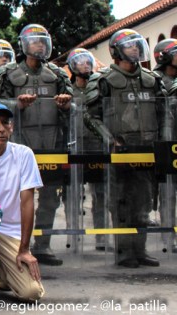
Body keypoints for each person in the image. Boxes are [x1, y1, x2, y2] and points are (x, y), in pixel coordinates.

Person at [85, 29, 167, 268]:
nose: (134, 49)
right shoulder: (102, 79)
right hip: (119, 151)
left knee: (143, 203)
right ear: (116, 51)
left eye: (136, 45)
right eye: (128, 46)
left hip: (148, 150)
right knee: (120, 202)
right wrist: (109, 140)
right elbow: (91, 116)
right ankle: (124, 253)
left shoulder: (152, 79)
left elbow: (164, 114)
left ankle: (140, 250)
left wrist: (163, 140)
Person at [0, 24, 73, 266]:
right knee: (14, 199)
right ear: (24, 45)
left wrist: (65, 103)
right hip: (19, 144)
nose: (40, 45)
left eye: (43, 41)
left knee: (50, 197)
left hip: (52, 143)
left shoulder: (58, 74)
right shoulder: (8, 73)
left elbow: (73, 106)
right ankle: (10, 248)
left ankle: (44, 245)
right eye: (35, 41)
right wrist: (16, 104)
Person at [0, 101, 45, 302]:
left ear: (11, 128)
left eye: (5, 123)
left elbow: (27, 202)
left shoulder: (23, 154)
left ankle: (5, 270)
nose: (1, 129)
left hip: (9, 229)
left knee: (32, 293)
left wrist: (24, 249)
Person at [66, 48, 110, 252]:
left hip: (95, 146)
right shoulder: (66, 92)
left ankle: (101, 237)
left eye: (88, 61)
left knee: (101, 194)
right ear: (73, 67)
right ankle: (73, 237)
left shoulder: (99, 90)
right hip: (73, 148)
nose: (86, 65)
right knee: (72, 196)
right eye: (81, 62)